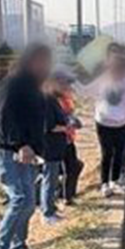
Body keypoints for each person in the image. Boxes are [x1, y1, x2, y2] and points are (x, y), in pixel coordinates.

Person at [0, 44, 51, 249]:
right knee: (20, 199)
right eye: (42, 61)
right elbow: (5, 117)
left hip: (28, 154)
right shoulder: (12, 83)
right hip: (9, 152)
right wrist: (20, 144)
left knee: (29, 203)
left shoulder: (34, 86)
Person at [87, 52, 125, 197]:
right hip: (103, 122)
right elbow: (87, 91)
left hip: (123, 124)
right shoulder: (102, 80)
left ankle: (115, 181)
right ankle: (105, 183)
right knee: (107, 153)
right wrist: (71, 82)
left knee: (119, 153)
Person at [40, 74, 75, 225]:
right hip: (50, 147)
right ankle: (47, 213)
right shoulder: (47, 100)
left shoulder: (53, 99)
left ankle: (51, 208)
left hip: (56, 146)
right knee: (49, 179)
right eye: (64, 85)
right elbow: (48, 125)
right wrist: (66, 127)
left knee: (52, 179)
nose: (67, 88)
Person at [50, 68, 84, 204]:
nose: (69, 86)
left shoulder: (65, 98)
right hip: (56, 141)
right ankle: (63, 197)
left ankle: (66, 196)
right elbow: (50, 123)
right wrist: (68, 124)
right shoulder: (50, 99)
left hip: (67, 139)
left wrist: (74, 121)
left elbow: (69, 115)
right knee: (66, 169)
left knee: (74, 167)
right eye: (65, 83)